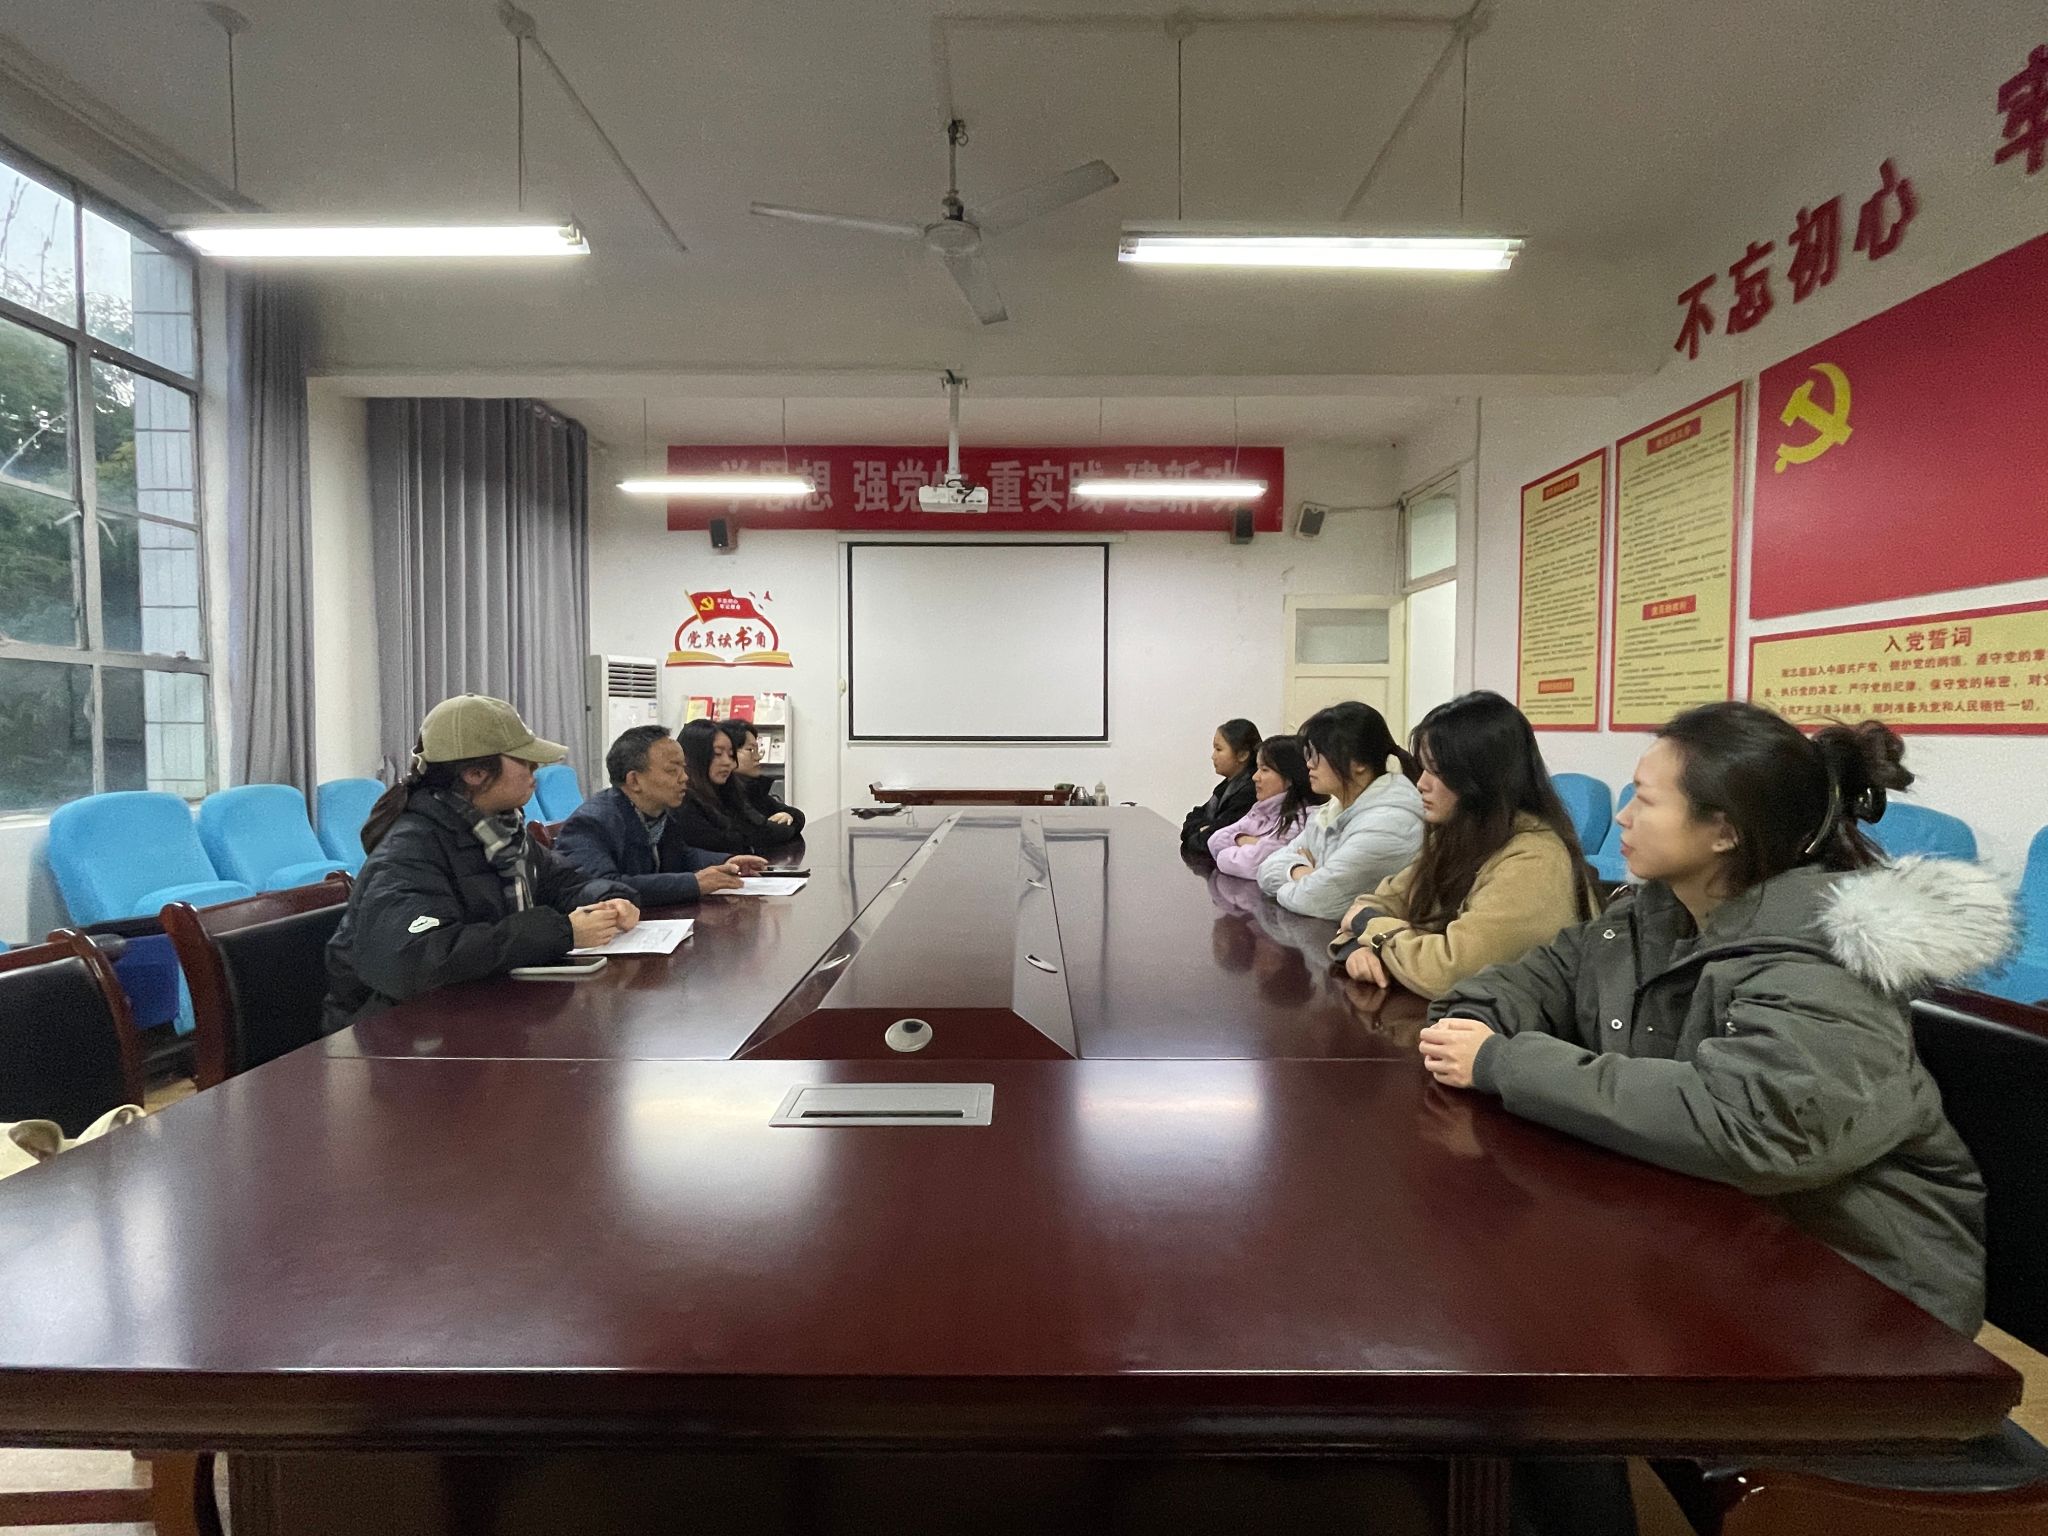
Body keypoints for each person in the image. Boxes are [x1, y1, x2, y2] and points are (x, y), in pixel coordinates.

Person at [1420, 701, 2006, 1336]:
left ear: (1723, 832)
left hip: (1862, 1299)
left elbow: (1749, 1126)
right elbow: (1512, 985)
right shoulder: (1649, 917)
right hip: (1712, 1243)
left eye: (1645, 800)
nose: (1623, 816)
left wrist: (1503, 1061)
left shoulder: (1825, 962)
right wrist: (1468, 1025)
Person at [323, 695, 641, 1028]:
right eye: (524, 760)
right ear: (475, 773)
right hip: (391, 1033)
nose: (536, 769)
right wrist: (562, 932)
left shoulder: (502, 833)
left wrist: (608, 900)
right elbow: (414, 958)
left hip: (474, 1014)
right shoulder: (408, 851)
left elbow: (564, 883)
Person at [1328, 692, 1595, 999]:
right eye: (1423, 768)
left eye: (1437, 771)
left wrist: (1371, 931)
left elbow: (1451, 971)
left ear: (1481, 777)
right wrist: (1359, 947)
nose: (1421, 784)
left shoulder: (1534, 860)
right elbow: (1381, 902)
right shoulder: (1458, 837)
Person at [553, 724, 770, 905]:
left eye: (683, 768)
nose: (684, 778)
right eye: (672, 770)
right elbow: (602, 886)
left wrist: (727, 861)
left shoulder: (659, 814)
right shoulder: (591, 823)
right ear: (634, 780)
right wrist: (693, 883)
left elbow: (683, 856)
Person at [1256, 702, 1425, 920]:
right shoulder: (1330, 812)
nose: (1309, 764)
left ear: (1358, 763)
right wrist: (1301, 871)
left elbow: (1315, 901)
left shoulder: (1389, 824)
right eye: (1308, 754)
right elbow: (1265, 870)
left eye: (1318, 754)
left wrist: (1308, 878)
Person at [672, 718, 802, 856]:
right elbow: (732, 842)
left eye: (731, 755)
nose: (729, 763)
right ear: (695, 755)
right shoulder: (682, 801)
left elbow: (757, 830)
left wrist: (789, 820)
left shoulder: (728, 791)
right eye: (718, 754)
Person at [1205, 735, 1323, 880]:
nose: (1255, 777)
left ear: (1289, 777)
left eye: (1264, 770)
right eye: (1257, 768)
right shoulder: (1262, 809)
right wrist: (1242, 838)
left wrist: (1245, 846)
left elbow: (1251, 865)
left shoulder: (1303, 819)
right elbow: (1214, 841)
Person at [1179, 719, 1261, 857]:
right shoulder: (1227, 785)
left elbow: (1214, 838)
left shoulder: (1249, 792)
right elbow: (1192, 818)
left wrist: (1203, 831)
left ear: (1242, 755)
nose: (1213, 756)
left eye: (1219, 749)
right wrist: (1202, 829)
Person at [721, 718, 806, 835]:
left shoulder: (752, 788)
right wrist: (784, 827)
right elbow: (760, 832)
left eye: (757, 749)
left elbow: (796, 815)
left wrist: (788, 816)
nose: (758, 757)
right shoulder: (725, 793)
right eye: (751, 750)